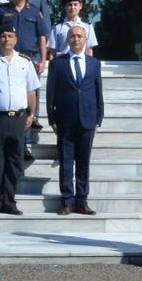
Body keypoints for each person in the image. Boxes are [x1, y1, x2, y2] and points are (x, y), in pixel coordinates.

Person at [0, 25, 40, 216]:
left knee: (14, 161)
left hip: (18, 118)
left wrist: (32, 114)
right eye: (2, 36)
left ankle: (9, 201)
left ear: (16, 39)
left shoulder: (25, 62)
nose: (6, 39)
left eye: (10, 36)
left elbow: (31, 90)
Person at [47, 24, 104, 216]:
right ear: (67, 40)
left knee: (83, 162)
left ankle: (82, 201)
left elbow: (98, 90)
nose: (76, 39)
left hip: (88, 119)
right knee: (66, 162)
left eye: (80, 36)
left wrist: (99, 116)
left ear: (86, 39)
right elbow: (50, 92)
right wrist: (52, 119)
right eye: (72, 36)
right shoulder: (57, 63)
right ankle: (67, 201)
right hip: (65, 120)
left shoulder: (94, 63)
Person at [0, 0, 50, 153]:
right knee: (8, 98)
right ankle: (10, 142)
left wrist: (43, 59)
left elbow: (42, 37)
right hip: (5, 60)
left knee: (29, 100)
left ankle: (26, 142)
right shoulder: (1, 10)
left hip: (29, 60)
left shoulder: (35, 12)